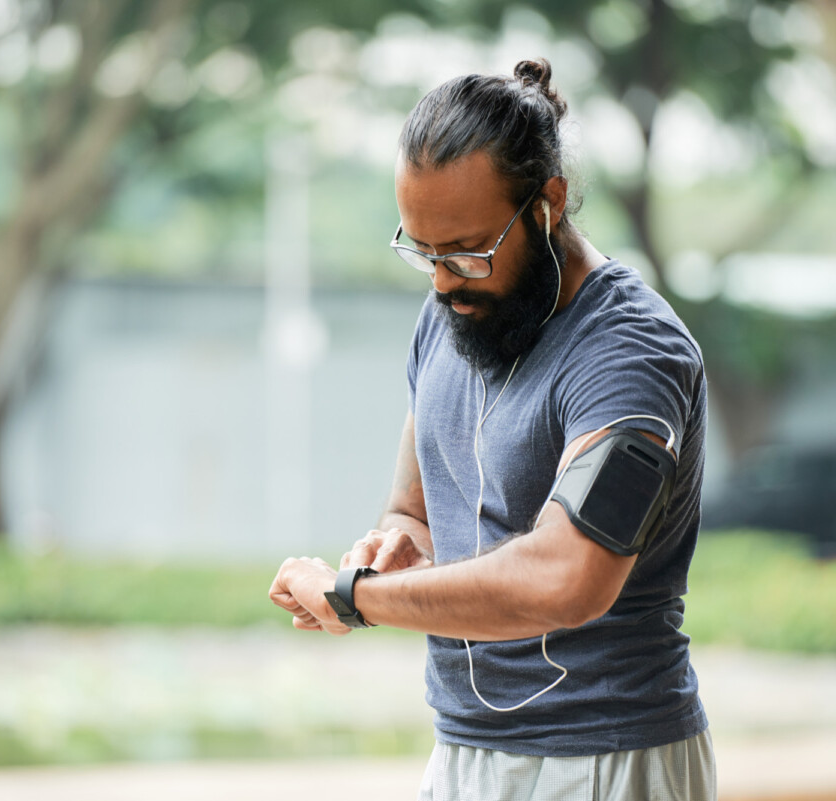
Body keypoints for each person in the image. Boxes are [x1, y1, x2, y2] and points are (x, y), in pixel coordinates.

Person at [269, 58, 714, 800]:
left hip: (608, 755)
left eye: (468, 253)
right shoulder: (449, 317)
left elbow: (567, 576)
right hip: (465, 748)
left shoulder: (631, 353)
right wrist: (399, 543)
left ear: (548, 203)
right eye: (424, 252)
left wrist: (355, 596)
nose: (444, 281)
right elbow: (415, 506)